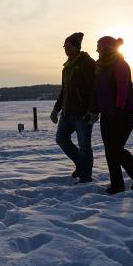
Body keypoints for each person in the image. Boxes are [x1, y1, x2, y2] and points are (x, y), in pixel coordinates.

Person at [94, 35, 133, 194]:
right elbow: (98, 92)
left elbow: (122, 89)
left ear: (107, 48)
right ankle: (117, 185)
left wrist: (118, 109)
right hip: (107, 113)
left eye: (99, 46)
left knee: (116, 148)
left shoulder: (120, 64)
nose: (96, 49)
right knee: (109, 150)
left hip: (123, 113)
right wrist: (95, 110)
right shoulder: (99, 67)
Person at [50, 32, 99, 183]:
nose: (66, 49)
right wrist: (56, 109)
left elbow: (93, 89)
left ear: (77, 47)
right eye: (65, 47)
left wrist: (93, 110)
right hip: (67, 112)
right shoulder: (66, 67)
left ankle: (86, 176)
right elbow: (64, 90)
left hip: (82, 114)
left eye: (69, 46)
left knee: (84, 146)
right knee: (61, 139)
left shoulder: (87, 63)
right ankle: (80, 164)